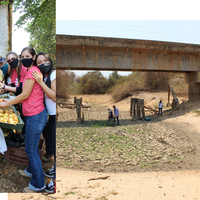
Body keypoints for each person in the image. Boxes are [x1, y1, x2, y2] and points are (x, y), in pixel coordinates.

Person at [0, 47, 47, 193]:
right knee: (30, 147)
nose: (24, 58)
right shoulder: (28, 71)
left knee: (31, 151)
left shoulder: (33, 71)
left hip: (36, 115)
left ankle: (38, 184)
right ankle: (31, 170)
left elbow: (25, 94)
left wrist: (6, 103)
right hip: (32, 114)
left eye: (27, 55)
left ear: (33, 57)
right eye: (22, 56)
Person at [32, 52, 56, 193]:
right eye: (39, 62)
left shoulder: (53, 74)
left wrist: (40, 82)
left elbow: (54, 96)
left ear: (50, 61)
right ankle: (54, 171)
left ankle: (54, 184)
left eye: (45, 60)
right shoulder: (46, 76)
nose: (43, 64)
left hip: (55, 116)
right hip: (50, 115)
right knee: (51, 142)